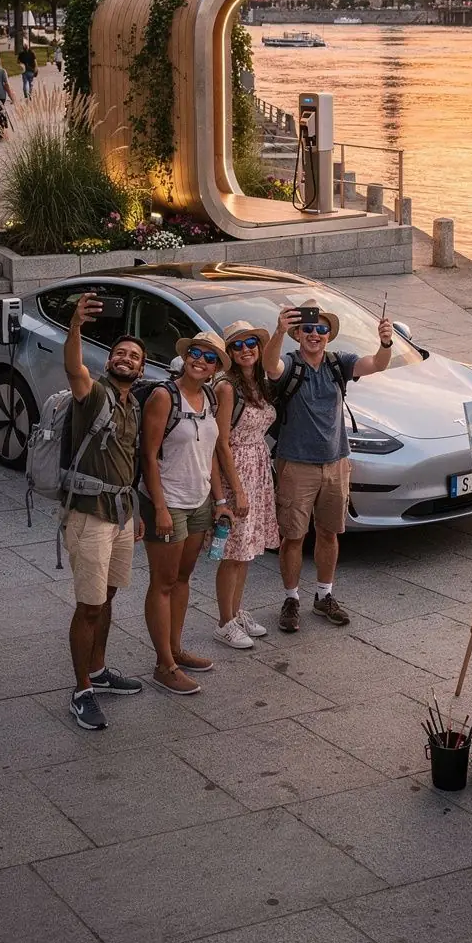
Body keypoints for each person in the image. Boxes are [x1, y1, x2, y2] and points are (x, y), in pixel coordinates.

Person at [262, 302, 393, 632]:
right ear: (297, 334)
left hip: (336, 462)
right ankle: (291, 599)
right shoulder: (290, 364)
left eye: (321, 330)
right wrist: (277, 330)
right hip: (296, 465)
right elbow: (269, 365)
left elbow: (376, 364)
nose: (315, 335)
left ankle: (324, 596)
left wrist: (386, 342)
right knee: (293, 537)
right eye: (307, 329)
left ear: (329, 336)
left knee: (329, 532)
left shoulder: (339, 363)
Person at [61, 294, 146, 731]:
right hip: (89, 515)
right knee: (89, 606)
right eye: (119, 353)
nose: (125, 359)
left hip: (120, 513)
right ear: (109, 360)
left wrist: (136, 511)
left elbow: (128, 463)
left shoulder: (134, 404)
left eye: (133, 356)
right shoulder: (94, 394)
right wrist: (76, 323)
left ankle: (98, 669)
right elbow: (74, 368)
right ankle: (81, 691)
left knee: (109, 595)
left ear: (142, 368)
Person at [140, 331, 231, 694]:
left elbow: (210, 450)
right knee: (162, 583)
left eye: (210, 358)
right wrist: (159, 508)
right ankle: (163, 665)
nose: (201, 360)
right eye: (196, 352)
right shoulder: (165, 396)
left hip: (199, 501)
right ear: (186, 356)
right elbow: (148, 455)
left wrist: (220, 500)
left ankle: (175, 651)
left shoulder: (209, 397)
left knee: (182, 579)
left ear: (214, 369)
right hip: (168, 502)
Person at [213, 320, 279, 649]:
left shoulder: (260, 384)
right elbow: (221, 442)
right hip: (237, 470)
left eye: (250, 342)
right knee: (233, 551)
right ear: (229, 353)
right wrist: (235, 489)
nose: (245, 349)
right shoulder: (227, 388)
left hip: (258, 469)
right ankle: (224, 621)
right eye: (237, 345)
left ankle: (237, 611)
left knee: (247, 550)